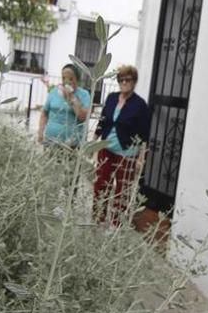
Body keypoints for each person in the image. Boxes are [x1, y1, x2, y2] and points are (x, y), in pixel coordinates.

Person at [93, 64, 150, 226]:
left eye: (128, 80)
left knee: (122, 191)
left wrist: (141, 158)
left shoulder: (140, 105)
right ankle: (98, 218)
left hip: (127, 153)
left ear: (134, 82)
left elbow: (144, 134)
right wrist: (93, 142)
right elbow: (102, 122)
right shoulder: (111, 98)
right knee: (100, 185)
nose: (124, 83)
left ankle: (117, 224)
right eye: (121, 80)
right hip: (106, 149)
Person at [37, 63, 91, 149]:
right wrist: (40, 132)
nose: (67, 81)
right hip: (51, 140)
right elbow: (44, 113)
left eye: (70, 79)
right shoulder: (54, 91)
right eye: (64, 78)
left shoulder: (84, 94)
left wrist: (71, 97)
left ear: (77, 80)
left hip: (71, 144)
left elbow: (82, 116)